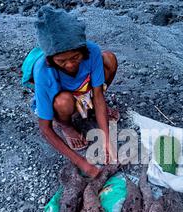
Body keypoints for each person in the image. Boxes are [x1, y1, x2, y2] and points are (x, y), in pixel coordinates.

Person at [30, 5, 119, 178]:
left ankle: (90, 109)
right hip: (64, 98)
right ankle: (66, 124)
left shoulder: (92, 51)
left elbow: (99, 95)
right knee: (63, 102)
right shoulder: (43, 70)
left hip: (85, 90)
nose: (70, 64)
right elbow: (45, 129)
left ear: (82, 50)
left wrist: (106, 140)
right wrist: (83, 163)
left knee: (109, 59)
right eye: (61, 61)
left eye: (75, 57)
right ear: (50, 59)